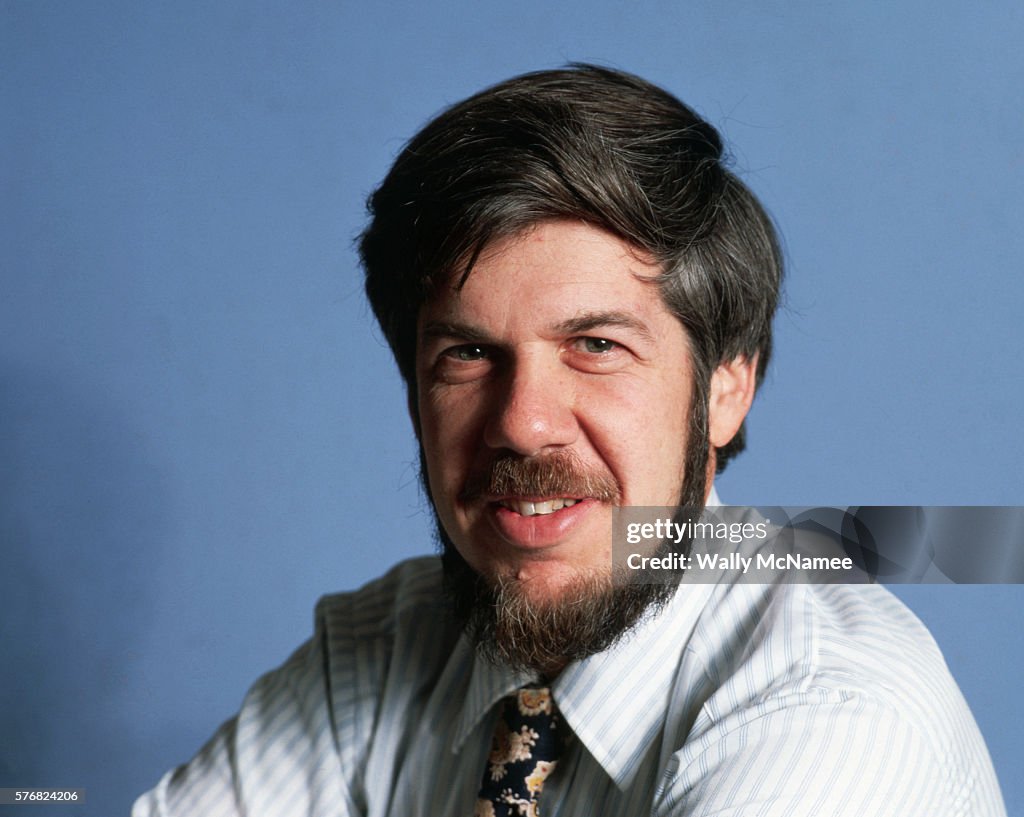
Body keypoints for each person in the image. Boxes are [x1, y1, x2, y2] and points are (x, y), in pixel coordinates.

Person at [133, 65, 1005, 816]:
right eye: (468, 353)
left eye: (596, 345)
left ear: (727, 386)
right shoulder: (378, 647)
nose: (523, 421)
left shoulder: (834, 714)